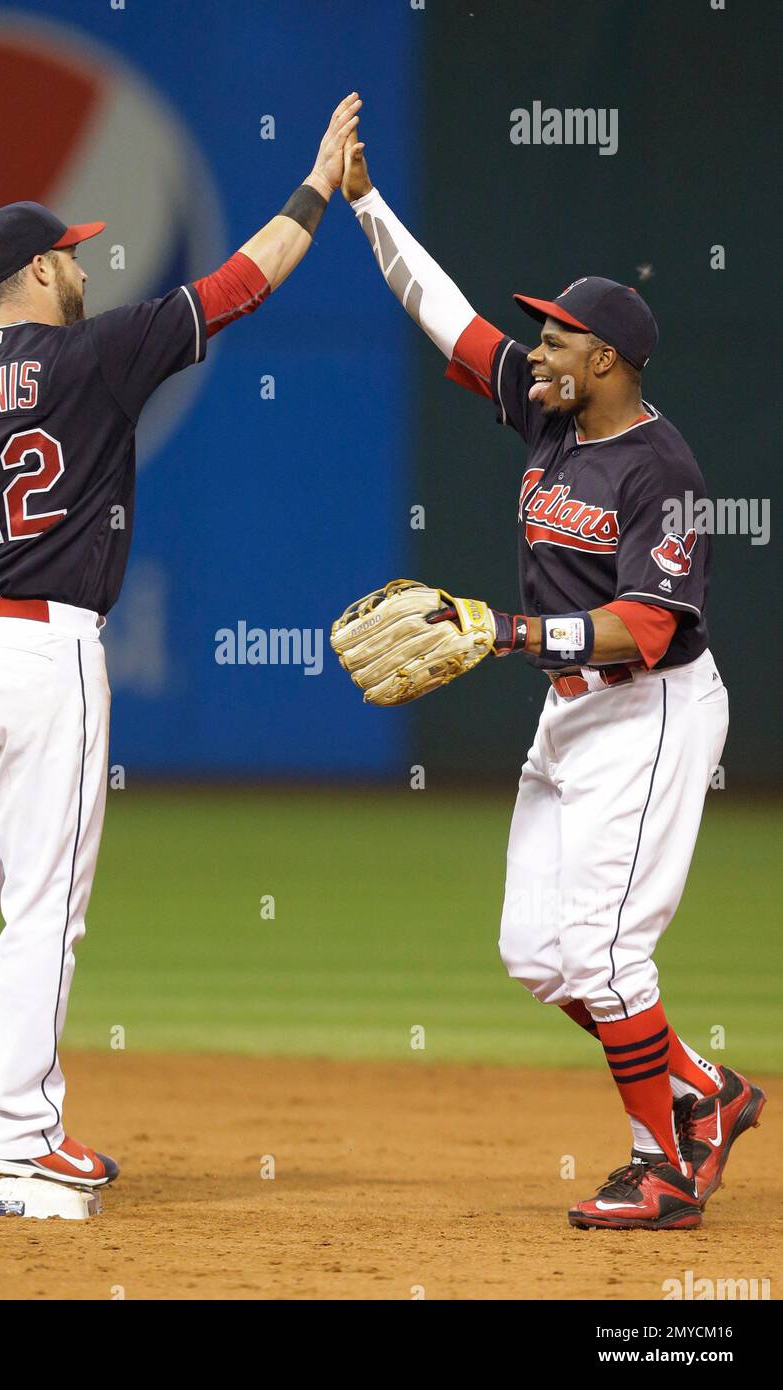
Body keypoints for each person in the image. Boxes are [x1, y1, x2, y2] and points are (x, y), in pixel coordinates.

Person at [0, 93, 362, 1190]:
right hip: (43, 657)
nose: (84, 267)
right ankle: (20, 1130)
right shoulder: (94, 358)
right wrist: (316, 186)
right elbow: (243, 281)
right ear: (30, 274)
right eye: (68, 257)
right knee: (41, 906)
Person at [338, 128, 764, 1229]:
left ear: (608, 362)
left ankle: (662, 1163)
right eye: (538, 335)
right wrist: (366, 204)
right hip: (573, 713)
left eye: (557, 339)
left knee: (608, 951)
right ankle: (699, 1092)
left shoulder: (660, 471)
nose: (534, 351)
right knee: (537, 952)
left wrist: (508, 633)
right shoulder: (547, 414)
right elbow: (444, 312)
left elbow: (646, 624)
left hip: (652, 710)